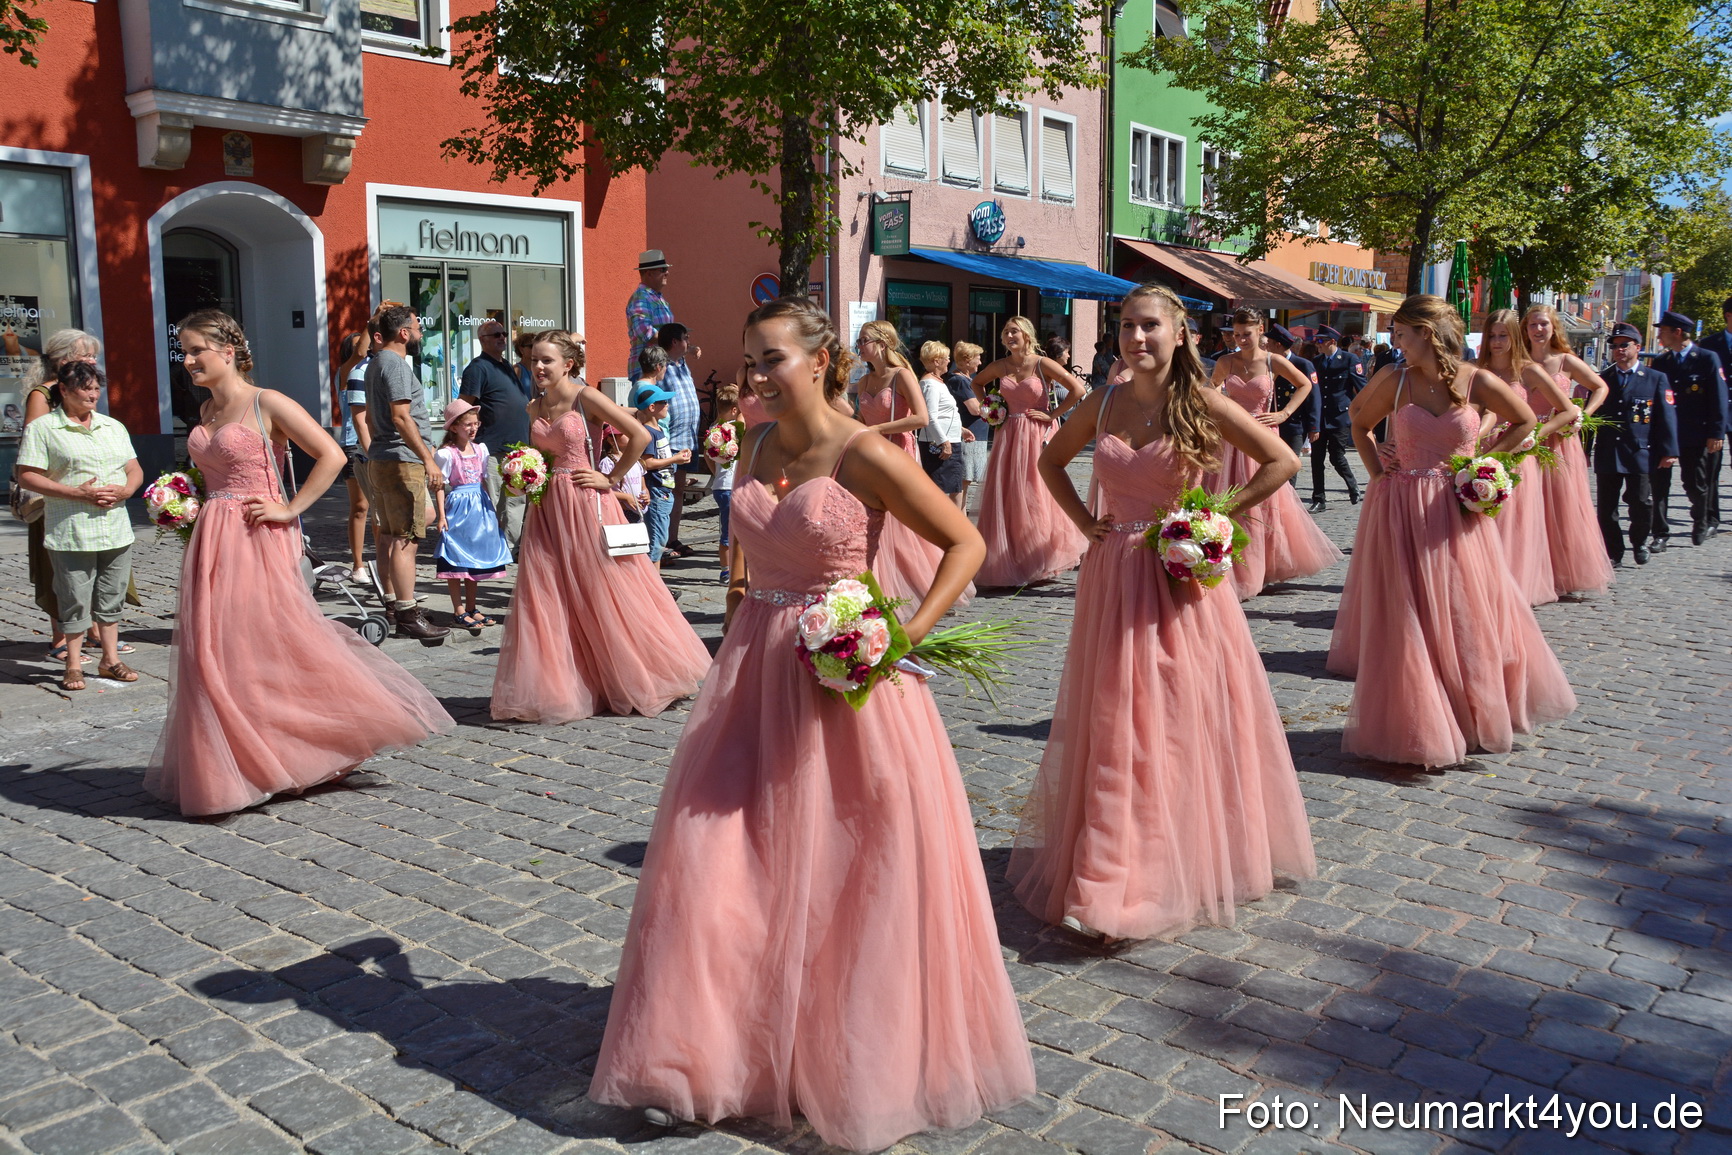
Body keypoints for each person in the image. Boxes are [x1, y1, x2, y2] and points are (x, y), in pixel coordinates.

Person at [589, 296, 1033, 1150]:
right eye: (749, 360)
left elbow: (964, 543)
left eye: (771, 360)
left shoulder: (862, 452)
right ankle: (730, 1041)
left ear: (821, 360)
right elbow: (751, 558)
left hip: (840, 676)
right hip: (755, 661)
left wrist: (901, 633)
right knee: (720, 850)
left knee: (843, 858)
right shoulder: (754, 442)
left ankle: (842, 1044)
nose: (754, 376)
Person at [1008, 283, 1315, 941]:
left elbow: (1280, 459)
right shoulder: (1105, 401)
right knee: (1115, 713)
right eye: (1126, 327)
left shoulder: (1201, 400)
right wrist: (1086, 524)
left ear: (1180, 335)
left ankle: (1163, 855)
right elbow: (1050, 459)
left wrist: (1214, 514)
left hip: (1178, 578)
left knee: (1171, 713)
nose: (1137, 338)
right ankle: (1113, 867)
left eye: (1149, 326)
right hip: (1115, 573)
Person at [146, 310, 453, 816]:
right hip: (213, 538)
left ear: (228, 352)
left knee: (266, 642)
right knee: (215, 648)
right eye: (184, 349)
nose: (188, 358)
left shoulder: (267, 402)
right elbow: (212, 472)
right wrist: (185, 501)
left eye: (197, 348)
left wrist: (289, 508)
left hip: (259, 535)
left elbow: (331, 455)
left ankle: (324, 738)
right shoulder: (205, 414)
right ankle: (243, 761)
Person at [1327, 295, 1576, 768]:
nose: (1395, 341)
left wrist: (1487, 463)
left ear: (1426, 333)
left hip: (1457, 505)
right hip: (1402, 506)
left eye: (1401, 333)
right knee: (1410, 610)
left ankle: (1471, 712)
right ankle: (1419, 717)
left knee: (1464, 607)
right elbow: (1359, 425)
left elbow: (1524, 421)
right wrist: (1379, 474)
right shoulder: (1394, 379)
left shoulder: (1475, 378)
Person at [490, 330, 709, 723]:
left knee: (604, 587)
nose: (537, 367)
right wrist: (524, 473)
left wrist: (612, 478)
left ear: (567, 364)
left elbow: (640, 434)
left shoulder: (584, 396)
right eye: (533, 360)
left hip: (586, 502)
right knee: (551, 592)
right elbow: (539, 454)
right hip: (546, 507)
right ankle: (573, 684)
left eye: (546, 360)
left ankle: (637, 675)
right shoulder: (532, 406)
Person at [14, 361, 142, 691]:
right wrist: (76, 493)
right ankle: (73, 664)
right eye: (85, 388)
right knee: (73, 597)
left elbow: (134, 468)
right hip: (70, 529)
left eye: (96, 388)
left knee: (111, 596)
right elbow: (26, 475)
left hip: (115, 527)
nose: (93, 394)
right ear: (65, 391)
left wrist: (127, 490)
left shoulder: (112, 427)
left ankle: (110, 660)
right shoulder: (43, 429)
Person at [1207, 309, 1341, 599]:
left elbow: (1305, 384)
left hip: (1262, 438)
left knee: (1262, 503)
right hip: (1229, 438)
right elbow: (1211, 389)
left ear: (1260, 330)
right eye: (1237, 334)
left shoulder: (1272, 361)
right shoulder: (1226, 361)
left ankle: (1262, 565)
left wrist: (1285, 413)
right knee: (1229, 497)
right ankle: (1228, 564)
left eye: (1247, 334)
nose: (1241, 339)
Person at [969, 316, 1087, 587]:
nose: (1010, 336)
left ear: (1027, 336)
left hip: (1035, 434)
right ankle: (1008, 557)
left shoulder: (1042, 363)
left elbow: (1077, 390)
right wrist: (990, 408)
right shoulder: (1000, 366)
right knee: (1008, 493)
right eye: (1006, 332)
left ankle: (1038, 557)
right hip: (1008, 433)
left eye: (1015, 332)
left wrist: (1052, 415)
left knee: (1034, 492)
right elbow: (976, 384)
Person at [1476, 309, 1576, 606]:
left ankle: (1512, 586)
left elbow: (1568, 410)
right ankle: (1482, 583)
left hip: (1517, 453)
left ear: (1514, 337)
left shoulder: (1527, 370)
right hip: (1481, 449)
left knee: (1512, 523)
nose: (1496, 342)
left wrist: (1539, 433)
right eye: (1491, 336)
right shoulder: (1475, 368)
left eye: (1503, 335)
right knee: (1481, 519)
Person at [364, 303, 449, 640]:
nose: (420, 333)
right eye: (416, 327)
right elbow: (401, 417)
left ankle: (394, 603)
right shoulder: (395, 364)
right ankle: (408, 613)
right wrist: (428, 458)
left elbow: (373, 418)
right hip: (401, 461)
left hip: (382, 458)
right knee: (406, 541)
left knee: (389, 536)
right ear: (403, 333)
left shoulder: (375, 362)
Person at [19, 328, 102, 663]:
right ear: (64, 358)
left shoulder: (85, 388)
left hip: (89, 491)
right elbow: (37, 445)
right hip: (56, 496)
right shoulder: (45, 394)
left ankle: (95, 634)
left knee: (93, 564)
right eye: (87, 354)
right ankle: (60, 639)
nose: (94, 360)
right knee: (60, 569)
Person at [1520, 305, 1615, 596]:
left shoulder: (1565, 361)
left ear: (1553, 328)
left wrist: (1583, 415)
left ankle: (1563, 574)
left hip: (1559, 442)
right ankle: (1530, 571)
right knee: (1527, 509)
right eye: (1533, 325)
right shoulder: (1518, 362)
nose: (1538, 330)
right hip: (1526, 442)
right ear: (1524, 329)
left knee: (1560, 508)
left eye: (1543, 324)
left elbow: (1600, 387)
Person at [853, 320, 947, 604]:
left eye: (863, 340)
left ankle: (917, 583)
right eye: (858, 341)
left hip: (898, 451)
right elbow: (861, 420)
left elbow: (921, 418)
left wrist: (879, 430)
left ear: (882, 343)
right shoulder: (864, 382)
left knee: (902, 520)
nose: (859, 346)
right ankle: (879, 583)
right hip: (870, 457)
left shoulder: (902, 375)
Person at [1595, 322, 1679, 565]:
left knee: (1641, 503)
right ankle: (1614, 551)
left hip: (1640, 452)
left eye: (1624, 345)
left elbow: (1666, 417)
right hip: (1609, 452)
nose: (1619, 350)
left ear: (1637, 347)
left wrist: (1669, 451)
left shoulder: (1655, 378)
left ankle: (1639, 541)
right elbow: (1591, 417)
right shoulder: (1603, 380)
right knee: (1606, 509)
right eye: (1615, 346)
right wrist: (1584, 451)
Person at [433, 398, 512, 630]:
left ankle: (471, 607)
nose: (473, 428)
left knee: (474, 561)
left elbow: (484, 481)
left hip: (480, 505)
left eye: (475, 423)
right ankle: (458, 609)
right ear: (454, 427)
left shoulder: (481, 449)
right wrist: (441, 515)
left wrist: (492, 510)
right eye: (468, 424)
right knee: (456, 560)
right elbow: (439, 485)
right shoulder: (447, 454)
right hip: (459, 507)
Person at [1650, 310, 1727, 548]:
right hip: (1665, 434)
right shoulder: (1662, 362)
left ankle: (1701, 521)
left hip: (1695, 433)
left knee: (1695, 484)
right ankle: (1660, 534)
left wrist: (1716, 432)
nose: (1660, 334)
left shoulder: (1706, 358)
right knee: (1659, 486)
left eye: (1663, 330)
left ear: (1678, 332)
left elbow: (1719, 397)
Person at [460, 318, 532, 553]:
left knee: (516, 501)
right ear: (483, 340)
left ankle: (509, 548)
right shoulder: (477, 368)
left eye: (503, 334)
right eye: (496, 335)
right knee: (492, 502)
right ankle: (489, 548)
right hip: (492, 447)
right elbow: (464, 406)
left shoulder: (506, 366)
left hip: (518, 447)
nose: (502, 338)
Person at [631, 361, 690, 567]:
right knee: (656, 544)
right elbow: (647, 463)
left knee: (660, 541)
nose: (668, 405)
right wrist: (675, 459)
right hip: (656, 492)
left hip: (665, 490)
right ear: (652, 407)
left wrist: (677, 456)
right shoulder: (648, 433)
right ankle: (653, 588)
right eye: (663, 402)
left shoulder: (659, 431)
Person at [655, 322, 703, 557]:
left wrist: (690, 351)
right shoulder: (660, 366)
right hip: (669, 440)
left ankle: (673, 538)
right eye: (685, 338)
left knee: (678, 491)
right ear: (674, 342)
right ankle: (660, 542)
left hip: (687, 440)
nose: (689, 342)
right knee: (665, 492)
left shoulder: (681, 363)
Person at [334, 329, 374, 584]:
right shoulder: (346, 371)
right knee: (360, 506)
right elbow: (360, 351)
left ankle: (384, 562)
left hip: (377, 441)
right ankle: (358, 565)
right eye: (361, 344)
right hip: (353, 444)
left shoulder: (374, 368)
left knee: (381, 509)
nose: (366, 347)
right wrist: (373, 320)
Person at [1308, 325, 1362, 511]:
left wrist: (1364, 413)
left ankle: (1353, 487)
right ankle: (1319, 498)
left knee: (1337, 457)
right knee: (1317, 458)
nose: (1318, 344)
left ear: (1332, 342)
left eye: (1321, 341)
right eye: (1317, 341)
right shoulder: (1316, 362)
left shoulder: (1349, 359)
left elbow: (1361, 387)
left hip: (1339, 416)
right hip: (1320, 417)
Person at [1691, 295, 1732, 532]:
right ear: (1728, 316)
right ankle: (1710, 518)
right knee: (1711, 467)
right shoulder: (1708, 345)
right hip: (1715, 413)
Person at [1267, 323, 1320, 485]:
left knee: (1290, 466)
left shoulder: (1303, 364)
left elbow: (1313, 397)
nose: (1266, 346)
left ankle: (1289, 503)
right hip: (1272, 423)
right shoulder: (1269, 363)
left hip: (1295, 424)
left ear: (1278, 345)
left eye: (1269, 343)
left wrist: (1314, 427)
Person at [916, 341, 966, 504]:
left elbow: (945, 413)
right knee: (942, 492)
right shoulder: (930, 384)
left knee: (955, 489)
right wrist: (944, 441)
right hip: (939, 444)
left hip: (948, 439)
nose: (949, 362)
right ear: (936, 361)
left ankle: (956, 525)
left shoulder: (937, 382)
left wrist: (960, 429)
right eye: (946, 358)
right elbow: (930, 416)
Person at [949, 341, 989, 511]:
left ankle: (961, 516)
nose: (980, 362)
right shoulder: (961, 381)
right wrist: (994, 409)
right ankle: (957, 517)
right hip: (969, 437)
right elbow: (974, 409)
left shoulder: (966, 379)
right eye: (977, 359)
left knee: (965, 482)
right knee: (963, 482)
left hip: (975, 437)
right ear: (966, 361)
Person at [708, 383, 741, 583]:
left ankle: (726, 569)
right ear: (735, 410)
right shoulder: (734, 429)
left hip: (721, 485)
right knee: (731, 533)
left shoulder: (714, 429)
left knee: (725, 529)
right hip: (731, 488)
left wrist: (718, 473)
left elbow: (707, 457)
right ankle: (726, 570)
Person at [626, 250, 675, 381]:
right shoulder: (641, 298)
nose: (667, 272)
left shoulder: (657, 298)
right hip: (647, 370)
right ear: (649, 273)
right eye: (663, 269)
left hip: (659, 367)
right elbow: (645, 332)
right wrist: (675, 342)